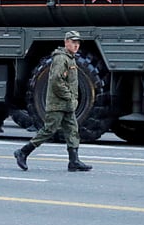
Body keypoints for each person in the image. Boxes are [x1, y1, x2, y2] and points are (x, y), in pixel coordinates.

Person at [14, 30, 92, 172]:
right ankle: (23, 152)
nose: (76, 45)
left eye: (78, 43)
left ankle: (74, 161)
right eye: (73, 42)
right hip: (58, 104)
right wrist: (69, 96)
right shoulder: (61, 58)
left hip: (67, 105)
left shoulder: (70, 58)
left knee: (72, 130)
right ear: (66, 42)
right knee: (49, 130)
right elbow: (56, 81)